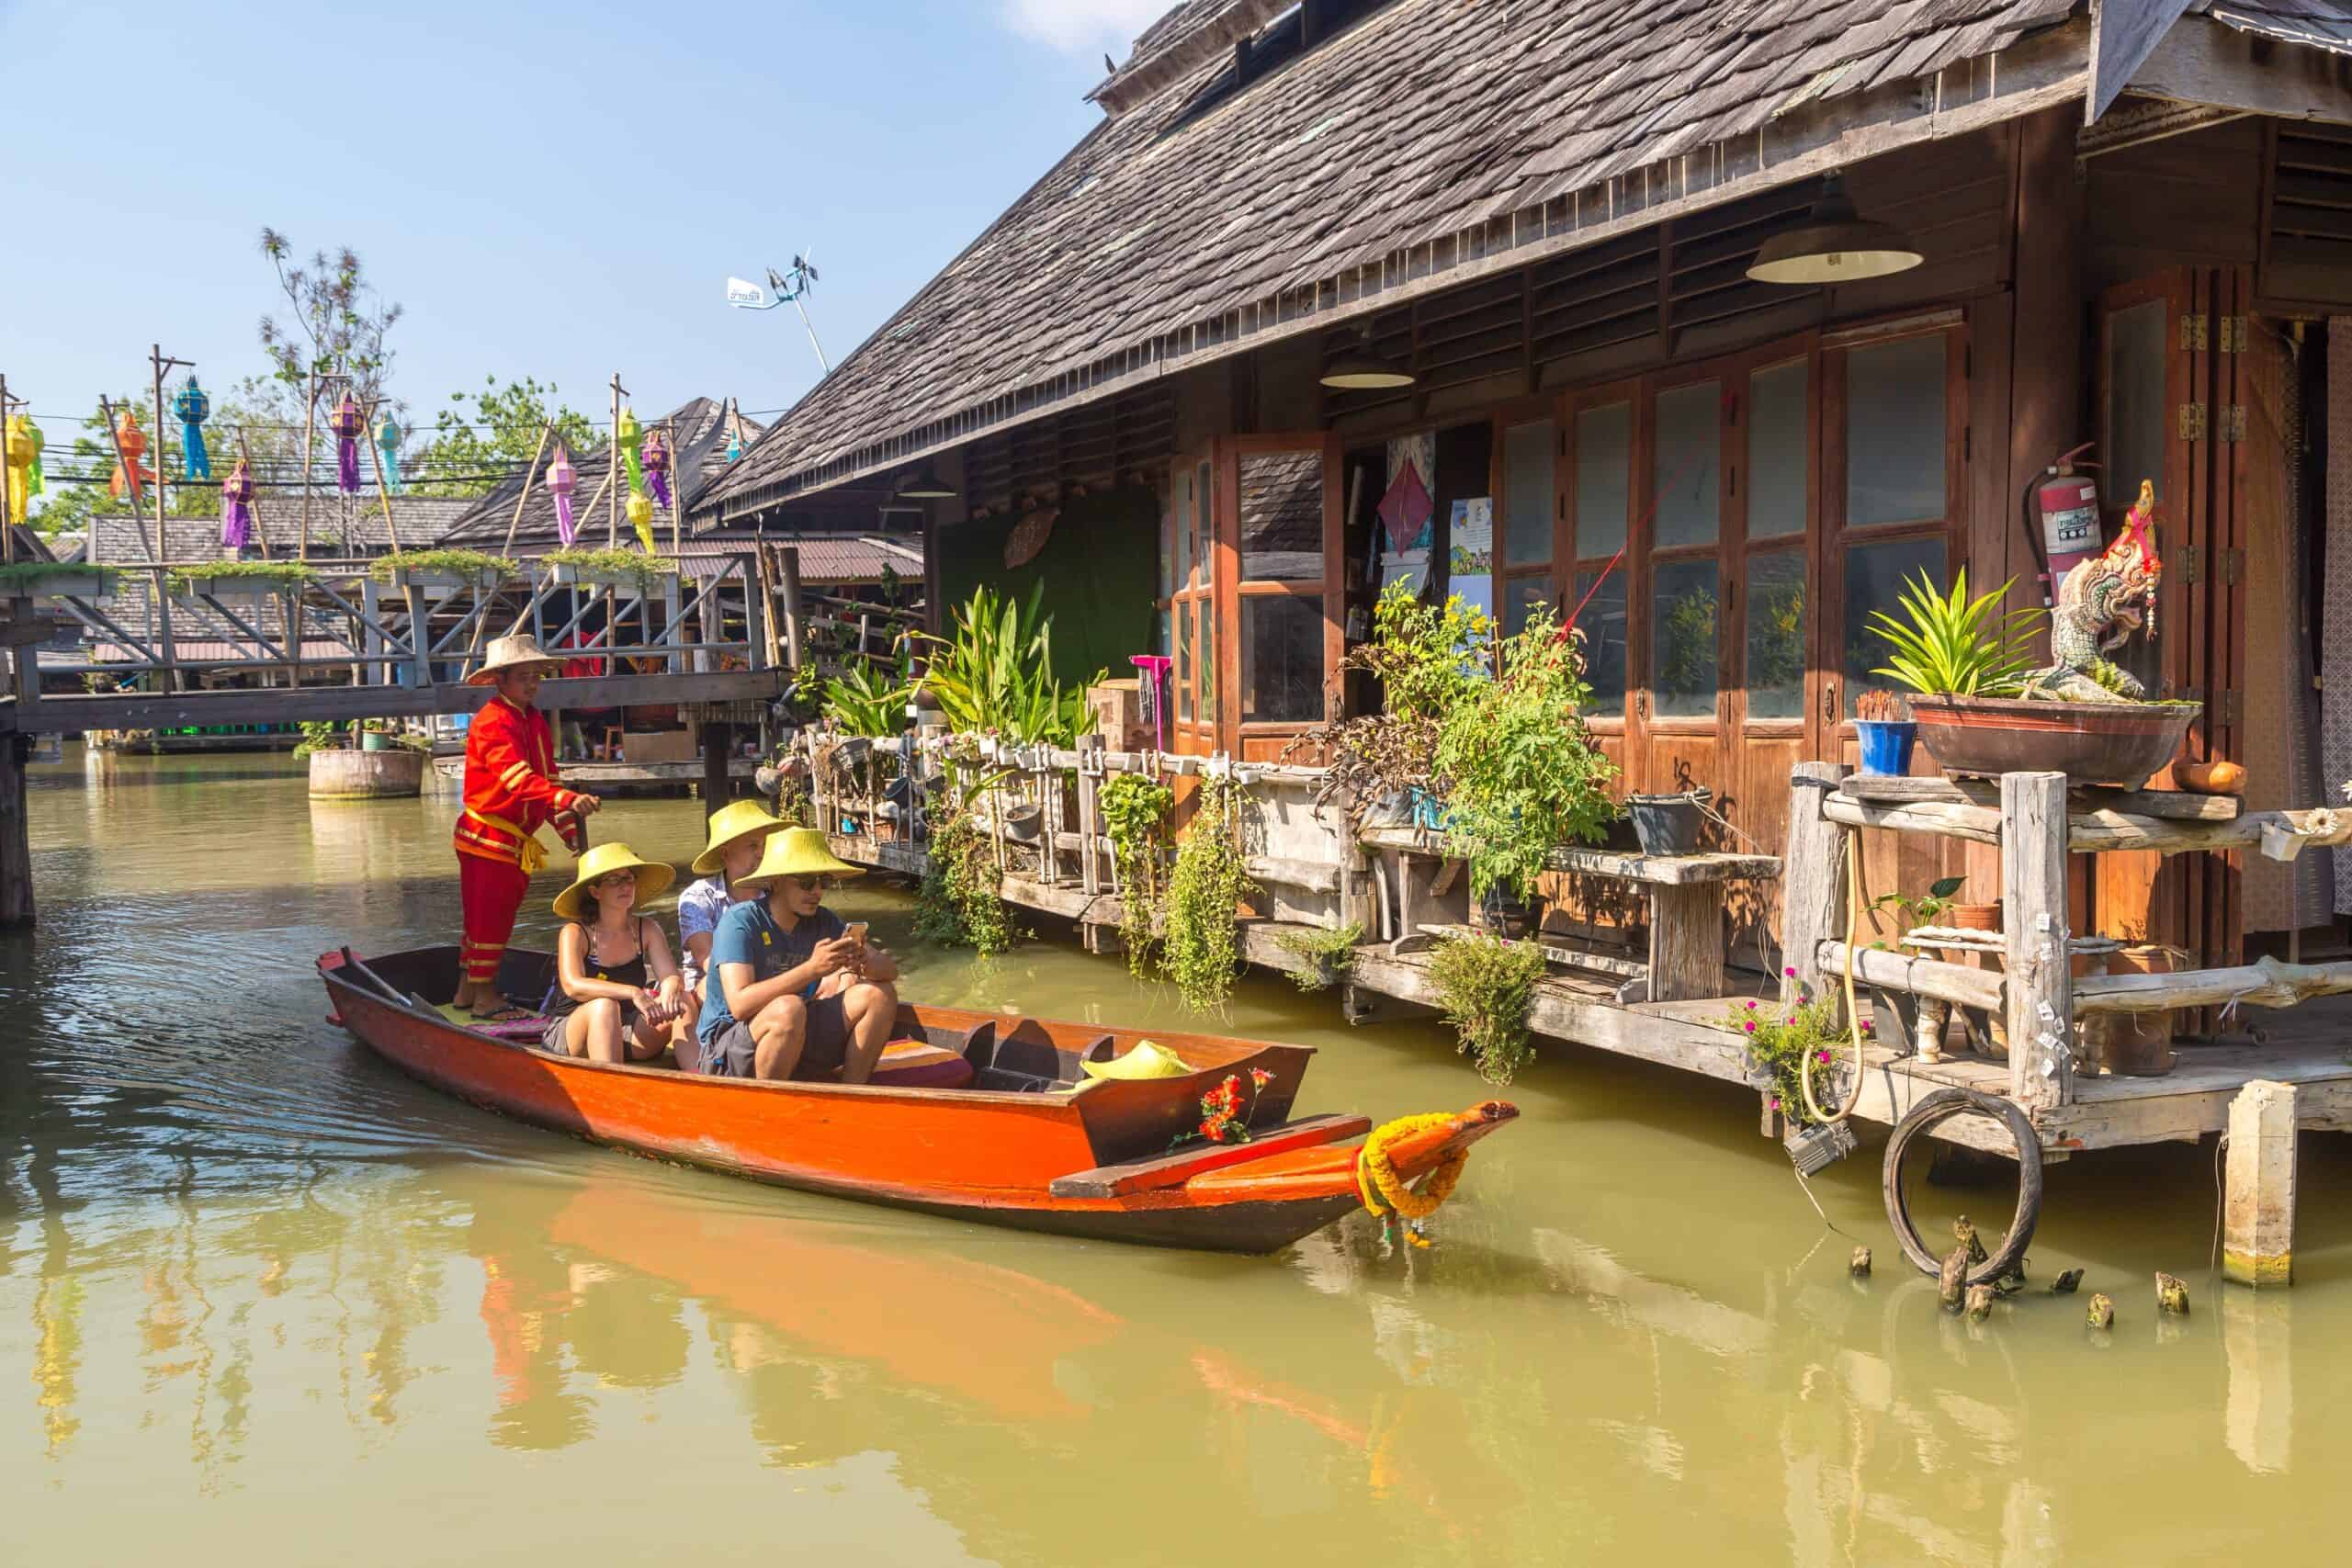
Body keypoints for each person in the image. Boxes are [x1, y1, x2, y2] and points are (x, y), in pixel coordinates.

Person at [453, 634, 600, 1020]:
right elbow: (517, 780)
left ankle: (466, 992)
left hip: (510, 839)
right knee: (489, 919)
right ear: (500, 680)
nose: (532, 684)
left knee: (488, 916)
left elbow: (546, 780)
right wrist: (566, 801)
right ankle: (485, 999)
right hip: (488, 836)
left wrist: (567, 828)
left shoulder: (533, 719)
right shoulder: (491, 722)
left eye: (536, 676)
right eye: (523, 677)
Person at [695, 828, 899, 1083]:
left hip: (794, 1030)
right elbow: (740, 1005)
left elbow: (890, 971)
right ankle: (773, 1107)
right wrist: (812, 969)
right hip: (727, 1048)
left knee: (879, 994)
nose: (816, 891)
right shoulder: (740, 922)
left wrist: (862, 959)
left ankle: (851, 1094)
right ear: (776, 881)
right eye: (805, 882)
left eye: (821, 882)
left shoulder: (822, 920)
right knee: (788, 1008)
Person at [542, 843, 692, 1064]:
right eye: (614, 880)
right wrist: (632, 992)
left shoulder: (647, 928)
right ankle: (612, 1087)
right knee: (605, 1006)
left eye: (629, 879)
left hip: (629, 1027)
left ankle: (696, 1075)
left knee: (684, 1000)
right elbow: (573, 985)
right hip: (574, 1032)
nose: (625, 886)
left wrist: (670, 989)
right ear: (595, 892)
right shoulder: (575, 932)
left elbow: (669, 975)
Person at [676, 799, 790, 1014]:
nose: (761, 853)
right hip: (712, 997)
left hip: (770, 986)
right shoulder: (698, 897)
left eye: (765, 846)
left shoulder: (778, 893)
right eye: (753, 846)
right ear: (726, 853)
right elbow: (710, 961)